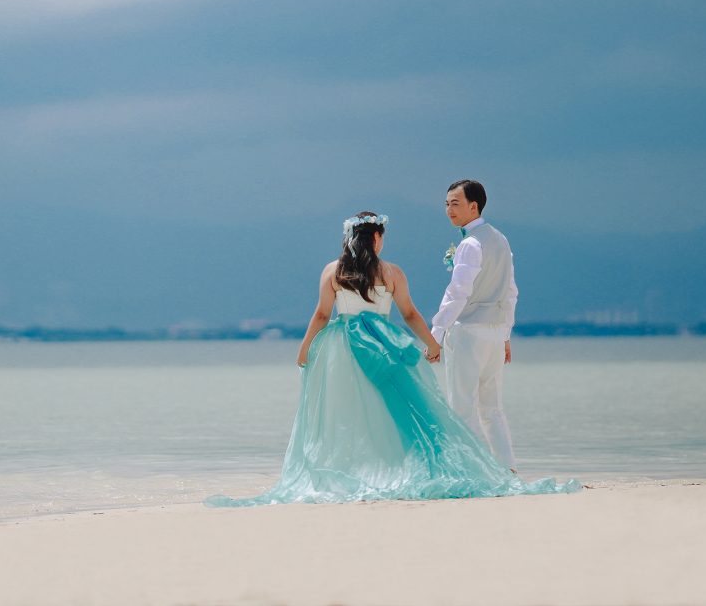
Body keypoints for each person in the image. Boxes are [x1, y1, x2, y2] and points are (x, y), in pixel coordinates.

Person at [207, 211, 575, 506]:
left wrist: (304, 348)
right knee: (397, 411)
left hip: (343, 346)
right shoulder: (391, 272)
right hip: (385, 344)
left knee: (348, 415)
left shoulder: (333, 270)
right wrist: (433, 344)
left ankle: (353, 470)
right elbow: (411, 314)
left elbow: (321, 315)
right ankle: (403, 467)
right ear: (377, 237)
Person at [432, 179, 518, 470]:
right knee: (492, 409)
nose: (448, 210)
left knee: (462, 407)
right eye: (446, 204)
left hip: (468, 332)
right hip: (494, 334)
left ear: (474, 206)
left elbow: (458, 293)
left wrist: (437, 332)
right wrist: (505, 334)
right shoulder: (501, 239)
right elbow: (511, 291)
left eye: (455, 204)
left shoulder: (470, 244)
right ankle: (507, 469)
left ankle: (474, 471)